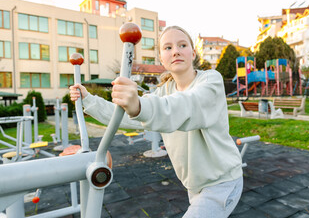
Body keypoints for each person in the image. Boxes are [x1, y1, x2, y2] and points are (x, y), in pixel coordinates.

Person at [69, 26, 244, 218]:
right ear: (162, 59)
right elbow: (126, 115)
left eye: (182, 45)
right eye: (168, 47)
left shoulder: (211, 81)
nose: (175, 50)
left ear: (193, 53)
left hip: (223, 181)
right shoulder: (163, 92)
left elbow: (187, 107)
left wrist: (139, 105)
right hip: (194, 185)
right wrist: (89, 100)